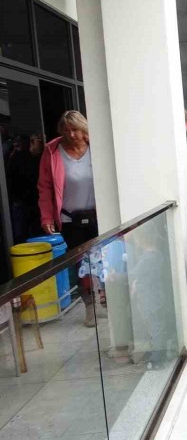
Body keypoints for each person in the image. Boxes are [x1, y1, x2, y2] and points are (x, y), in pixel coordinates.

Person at [38, 111, 100, 327]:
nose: (71, 135)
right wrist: (47, 217)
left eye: (75, 130)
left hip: (98, 216)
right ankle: (90, 306)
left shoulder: (96, 147)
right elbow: (45, 187)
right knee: (81, 264)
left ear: (84, 130)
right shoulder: (53, 151)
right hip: (69, 218)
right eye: (66, 131)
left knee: (104, 260)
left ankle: (107, 300)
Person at [7, 134, 43, 243]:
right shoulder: (18, 157)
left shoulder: (39, 157)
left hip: (33, 198)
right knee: (23, 230)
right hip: (23, 199)